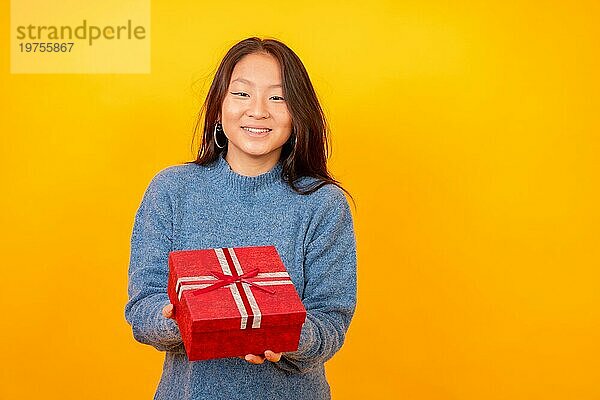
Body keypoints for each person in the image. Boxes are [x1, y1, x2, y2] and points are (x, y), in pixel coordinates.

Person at [124, 37, 357, 400]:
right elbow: (142, 309)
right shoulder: (171, 190)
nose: (258, 111)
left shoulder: (323, 204)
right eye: (242, 94)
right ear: (218, 106)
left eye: (278, 97)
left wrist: (279, 333)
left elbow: (330, 323)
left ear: (298, 113)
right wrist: (183, 318)